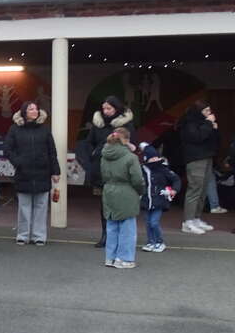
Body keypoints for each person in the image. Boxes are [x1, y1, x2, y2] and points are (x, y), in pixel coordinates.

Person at [76, 96, 135, 248]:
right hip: (101, 169)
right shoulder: (98, 125)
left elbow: (131, 144)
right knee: (105, 204)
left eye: (109, 108)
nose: (105, 111)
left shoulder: (127, 125)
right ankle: (106, 235)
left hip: (120, 170)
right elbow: (89, 143)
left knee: (120, 204)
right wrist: (91, 158)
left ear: (116, 108)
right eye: (104, 108)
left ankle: (120, 236)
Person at [4, 101, 60, 247]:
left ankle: (39, 236)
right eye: (31, 109)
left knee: (41, 206)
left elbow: (52, 151)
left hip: (43, 172)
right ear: (24, 112)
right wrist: (18, 162)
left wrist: (56, 171)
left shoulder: (45, 129)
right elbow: (8, 149)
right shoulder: (15, 129)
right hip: (24, 173)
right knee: (24, 206)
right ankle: (23, 235)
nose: (35, 111)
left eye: (36, 109)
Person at [101, 128, 145, 269]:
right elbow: (137, 179)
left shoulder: (104, 155)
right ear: (126, 140)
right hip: (126, 191)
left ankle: (110, 257)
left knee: (112, 226)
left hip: (109, 190)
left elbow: (103, 175)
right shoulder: (131, 157)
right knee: (127, 228)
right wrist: (141, 191)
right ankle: (124, 259)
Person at [178, 101, 219, 235]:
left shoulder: (204, 123)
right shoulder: (189, 124)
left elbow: (213, 140)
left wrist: (214, 128)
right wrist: (208, 124)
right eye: (205, 111)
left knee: (203, 189)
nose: (209, 113)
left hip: (207, 157)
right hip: (195, 159)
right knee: (195, 189)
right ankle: (188, 221)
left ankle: (196, 218)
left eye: (209, 110)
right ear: (198, 112)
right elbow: (197, 137)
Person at [138, 143, 181, 253]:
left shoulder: (163, 169)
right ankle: (150, 242)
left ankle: (159, 241)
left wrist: (174, 190)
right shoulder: (142, 169)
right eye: (152, 158)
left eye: (156, 157)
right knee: (148, 223)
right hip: (146, 200)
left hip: (159, 200)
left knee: (154, 222)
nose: (155, 159)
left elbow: (176, 179)